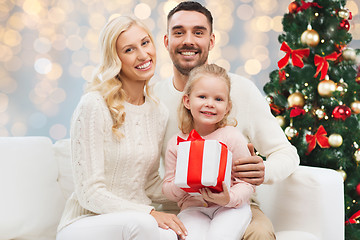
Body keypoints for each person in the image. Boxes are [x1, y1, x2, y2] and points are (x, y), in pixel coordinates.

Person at [153, 1, 300, 239]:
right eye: (179, 32)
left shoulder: (241, 90)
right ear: (167, 41)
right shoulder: (152, 98)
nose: (188, 40)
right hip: (177, 206)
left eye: (198, 32)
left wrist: (263, 171)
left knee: (260, 234)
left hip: (235, 202)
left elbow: (287, 154)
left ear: (211, 41)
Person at [56, 16, 187, 240]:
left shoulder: (158, 111)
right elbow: (90, 193)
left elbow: (149, 183)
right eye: (129, 50)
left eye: (145, 43)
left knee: (173, 234)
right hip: (85, 223)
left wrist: (194, 192)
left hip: (135, 221)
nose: (143, 55)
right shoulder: (94, 105)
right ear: (115, 58)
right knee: (145, 224)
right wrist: (150, 213)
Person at [162, 64, 255, 240]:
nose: (210, 104)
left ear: (228, 107)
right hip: (193, 208)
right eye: (202, 96)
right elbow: (167, 187)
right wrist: (183, 182)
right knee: (190, 236)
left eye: (218, 99)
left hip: (230, 207)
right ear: (187, 101)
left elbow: (247, 183)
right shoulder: (177, 143)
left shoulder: (232, 137)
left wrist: (229, 198)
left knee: (220, 236)